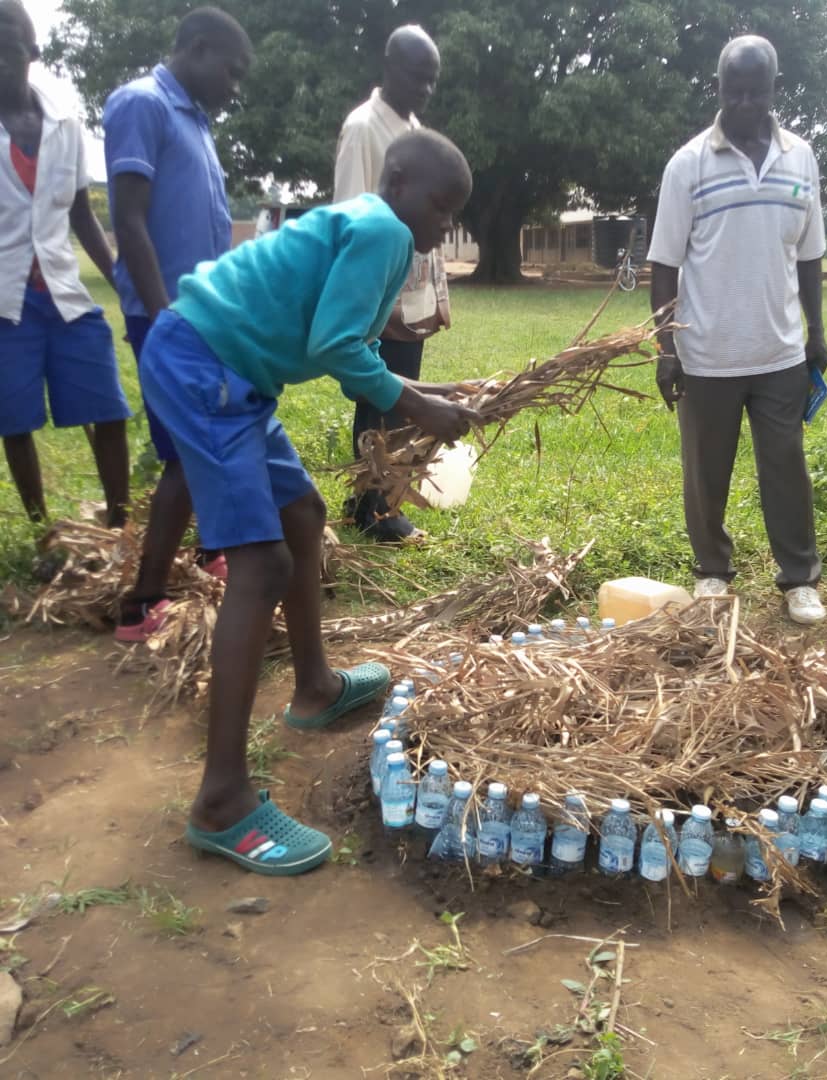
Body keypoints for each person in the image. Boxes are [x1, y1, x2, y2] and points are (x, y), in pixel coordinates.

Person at [139, 130, 479, 874]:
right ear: (398, 180)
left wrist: (424, 394)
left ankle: (316, 686)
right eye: (438, 205)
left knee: (303, 516)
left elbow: (344, 324)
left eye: (454, 215)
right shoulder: (386, 228)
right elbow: (334, 344)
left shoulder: (366, 218)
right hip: (206, 366)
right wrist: (417, 407)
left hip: (228, 368)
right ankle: (222, 801)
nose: (441, 226)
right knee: (260, 565)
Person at [649, 34, 827, 626]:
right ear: (719, 90)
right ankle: (711, 573)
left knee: (786, 466)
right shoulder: (688, 164)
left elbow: (810, 254)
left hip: (779, 352)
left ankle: (799, 578)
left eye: (757, 91)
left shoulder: (801, 157)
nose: (746, 102)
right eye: (735, 91)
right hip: (706, 354)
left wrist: (816, 334)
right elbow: (665, 264)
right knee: (706, 475)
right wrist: (666, 348)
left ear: (775, 89)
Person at [104, 6, 252, 641]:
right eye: (232, 71)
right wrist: (165, 316)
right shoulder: (142, 105)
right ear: (195, 49)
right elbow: (130, 217)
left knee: (208, 440)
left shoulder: (196, 120)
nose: (235, 87)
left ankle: (209, 549)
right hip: (165, 317)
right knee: (189, 454)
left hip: (202, 315)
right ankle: (142, 602)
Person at [0, 0, 129, 527]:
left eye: (8, 47)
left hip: (65, 296)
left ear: (33, 51)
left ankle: (119, 525)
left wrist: (123, 281)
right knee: (14, 421)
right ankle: (43, 529)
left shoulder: (65, 125)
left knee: (109, 409)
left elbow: (81, 214)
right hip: (6, 303)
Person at [334, 24, 450, 541]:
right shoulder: (364, 128)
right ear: (388, 65)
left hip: (412, 290)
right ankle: (371, 507)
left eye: (432, 80)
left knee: (400, 397)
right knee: (378, 398)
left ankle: (383, 498)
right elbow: (349, 212)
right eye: (416, 75)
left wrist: (435, 290)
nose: (424, 88)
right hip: (380, 291)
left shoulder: (414, 129)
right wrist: (368, 299)